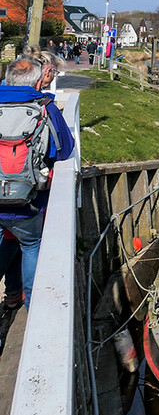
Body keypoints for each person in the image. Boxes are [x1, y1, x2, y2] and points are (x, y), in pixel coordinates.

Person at [0, 56, 75, 308]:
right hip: (28, 198)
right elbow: (65, 149)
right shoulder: (44, 106)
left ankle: (11, 296)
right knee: (31, 245)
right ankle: (33, 306)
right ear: (36, 80)